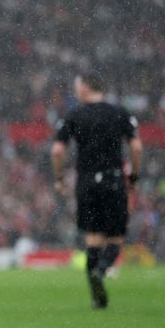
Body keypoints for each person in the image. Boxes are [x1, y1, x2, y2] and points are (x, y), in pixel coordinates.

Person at [51, 72, 143, 309]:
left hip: (87, 182)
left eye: (76, 86)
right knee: (115, 238)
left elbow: (58, 151)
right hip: (113, 180)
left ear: (85, 88)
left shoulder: (75, 115)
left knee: (93, 239)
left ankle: (96, 297)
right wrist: (133, 176)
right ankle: (101, 271)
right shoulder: (119, 112)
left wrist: (60, 178)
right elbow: (136, 146)